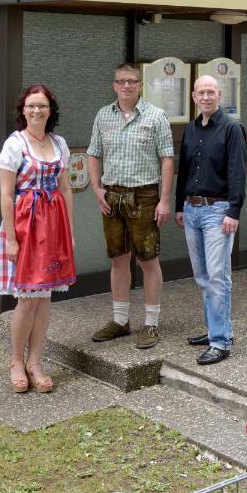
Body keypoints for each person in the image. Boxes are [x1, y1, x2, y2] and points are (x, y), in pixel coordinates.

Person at [0, 84, 76, 393]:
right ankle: (16, 360)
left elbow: (65, 190)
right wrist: (11, 238)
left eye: (41, 105)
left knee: (45, 297)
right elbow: (5, 194)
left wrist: (70, 232)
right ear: (23, 110)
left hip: (53, 226)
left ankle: (36, 360)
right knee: (27, 299)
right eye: (31, 106)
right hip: (26, 225)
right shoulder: (15, 145)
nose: (36, 110)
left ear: (50, 110)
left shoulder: (58, 143)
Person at [87, 63, 174, 349]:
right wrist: (97, 188)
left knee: (148, 260)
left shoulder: (156, 116)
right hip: (111, 196)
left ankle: (151, 324)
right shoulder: (103, 115)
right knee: (118, 259)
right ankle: (120, 321)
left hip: (145, 196)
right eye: (121, 81)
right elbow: (94, 154)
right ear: (114, 85)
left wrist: (164, 199)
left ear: (140, 85)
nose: (126, 86)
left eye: (132, 81)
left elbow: (167, 160)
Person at [175, 75, 246, 365]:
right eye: (200, 93)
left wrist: (234, 212)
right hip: (192, 210)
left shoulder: (231, 129)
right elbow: (185, 167)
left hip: (219, 211)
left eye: (211, 92)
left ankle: (220, 342)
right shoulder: (191, 129)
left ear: (219, 95)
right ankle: (215, 329)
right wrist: (180, 205)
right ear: (193, 97)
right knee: (203, 276)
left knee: (218, 276)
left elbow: (238, 173)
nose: (205, 97)